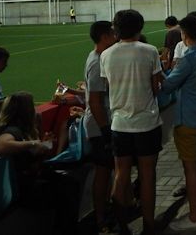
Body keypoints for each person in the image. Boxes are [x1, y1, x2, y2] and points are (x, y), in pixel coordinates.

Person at [100, 9, 163, 235]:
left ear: (116, 29)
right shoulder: (149, 51)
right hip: (147, 122)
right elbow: (156, 87)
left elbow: (108, 87)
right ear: (140, 27)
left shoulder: (105, 55)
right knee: (147, 175)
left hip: (120, 123)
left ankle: (122, 226)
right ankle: (148, 225)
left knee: (121, 174)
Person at [0, 92, 80, 235]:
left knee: (69, 185)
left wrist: (45, 144)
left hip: (27, 183)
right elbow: (0, 146)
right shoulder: (13, 130)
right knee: (67, 189)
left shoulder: (24, 130)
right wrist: (33, 143)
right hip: (22, 188)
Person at [161, 15, 196, 231]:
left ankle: (194, 217)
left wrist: (158, 72)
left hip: (189, 120)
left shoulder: (189, 58)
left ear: (184, 34)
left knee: (190, 167)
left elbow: (167, 86)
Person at [82, 21, 117, 234]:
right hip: (98, 125)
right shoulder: (96, 62)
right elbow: (95, 101)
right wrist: (105, 130)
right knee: (102, 173)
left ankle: (106, 211)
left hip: (103, 122)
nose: (116, 37)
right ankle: (100, 218)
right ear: (104, 37)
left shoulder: (101, 58)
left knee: (109, 171)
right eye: (113, 34)